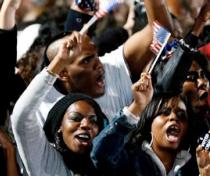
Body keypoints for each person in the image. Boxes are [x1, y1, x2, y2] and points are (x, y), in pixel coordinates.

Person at [10, 32, 153, 175]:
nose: (85, 125)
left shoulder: (108, 165)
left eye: (94, 121)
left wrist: (138, 107)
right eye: (75, 118)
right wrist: (58, 63)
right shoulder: (46, 163)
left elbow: (108, 144)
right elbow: (21, 117)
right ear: (59, 127)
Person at [37, 0, 173, 123]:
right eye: (87, 60)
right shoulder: (41, 108)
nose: (99, 64)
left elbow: (159, 31)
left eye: (96, 55)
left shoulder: (111, 67)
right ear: (62, 73)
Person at [91, 93, 210, 176]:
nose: (174, 117)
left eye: (181, 115)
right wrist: (136, 108)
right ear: (149, 124)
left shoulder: (194, 167)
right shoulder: (128, 159)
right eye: (165, 113)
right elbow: (99, 155)